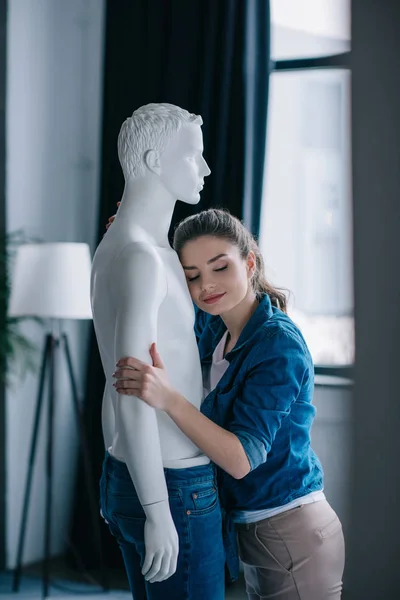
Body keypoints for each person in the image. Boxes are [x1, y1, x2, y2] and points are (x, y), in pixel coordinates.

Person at [111, 208, 346, 600]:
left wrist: (169, 399)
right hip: (254, 531)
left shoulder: (278, 345)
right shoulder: (215, 327)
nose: (207, 285)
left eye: (220, 268)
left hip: (292, 531)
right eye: (193, 276)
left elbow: (240, 459)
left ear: (249, 262)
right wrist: (132, 228)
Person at [92, 104, 225, 600]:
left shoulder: (121, 246)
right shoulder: (142, 257)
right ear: (152, 160)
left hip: (132, 468)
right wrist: (157, 509)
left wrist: (119, 466)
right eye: (194, 157)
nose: (206, 169)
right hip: (171, 486)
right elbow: (129, 386)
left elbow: (115, 379)